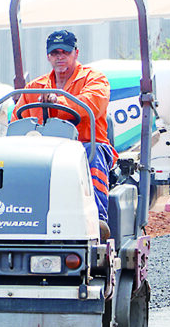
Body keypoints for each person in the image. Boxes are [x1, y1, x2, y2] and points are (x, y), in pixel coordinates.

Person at [11, 29, 117, 231]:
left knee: (90, 156)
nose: (60, 57)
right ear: (48, 56)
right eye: (55, 53)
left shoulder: (94, 80)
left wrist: (58, 101)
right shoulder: (35, 87)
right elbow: (17, 120)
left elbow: (91, 106)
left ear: (76, 53)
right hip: (46, 150)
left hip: (87, 143)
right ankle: (16, 220)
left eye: (65, 52)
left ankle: (98, 222)